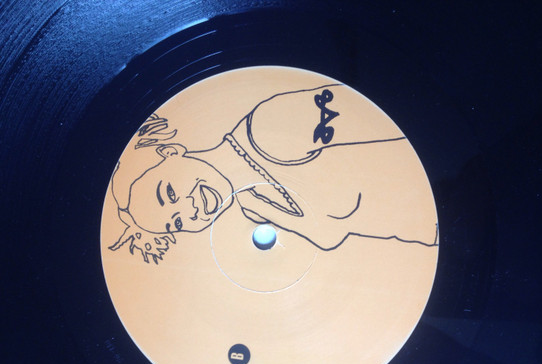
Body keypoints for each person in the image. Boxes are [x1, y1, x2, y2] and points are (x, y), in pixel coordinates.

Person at [108, 84, 438, 263]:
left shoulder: (266, 127)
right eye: (177, 223)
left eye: (169, 192)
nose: (189, 210)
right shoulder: (254, 211)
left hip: (448, 183)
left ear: (171, 153)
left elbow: (394, 122)